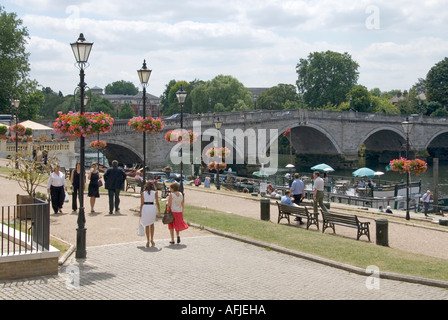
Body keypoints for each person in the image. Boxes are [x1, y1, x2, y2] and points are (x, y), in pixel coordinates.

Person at [140, 181, 160, 247]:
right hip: (152, 207)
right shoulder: (155, 193)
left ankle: (148, 240)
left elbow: (142, 203)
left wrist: (140, 212)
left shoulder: (143, 193)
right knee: (152, 224)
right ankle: (152, 239)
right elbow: (157, 202)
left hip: (145, 207)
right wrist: (159, 211)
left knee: (146, 224)